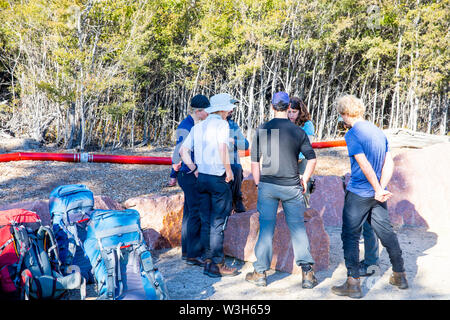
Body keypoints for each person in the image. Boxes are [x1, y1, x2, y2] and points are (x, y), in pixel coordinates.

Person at [331, 94, 408, 299]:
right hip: (377, 194)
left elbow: (364, 164)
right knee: (387, 234)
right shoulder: (377, 131)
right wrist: (381, 189)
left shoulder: (353, 134)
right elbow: (388, 162)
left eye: (341, 115)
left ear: (346, 114)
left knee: (350, 235)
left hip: (359, 192)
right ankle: (400, 274)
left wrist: (376, 187)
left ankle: (352, 283)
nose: (341, 119)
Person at [245, 91, 318, 288]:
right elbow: (311, 158)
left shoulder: (262, 129)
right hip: (292, 186)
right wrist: (305, 178)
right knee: (297, 228)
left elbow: (254, 162)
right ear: (288, 108)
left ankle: (260, 272)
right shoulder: (298, 131)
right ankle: (307, 274)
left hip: (268, 185)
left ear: (271, 106)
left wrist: (259, 183)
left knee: (266, 229)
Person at [179, 93, 239, 278]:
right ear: (222, 109)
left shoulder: (199, 126)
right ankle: (217, 264)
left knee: (206, 221)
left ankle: (207, 261)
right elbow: (222, 148)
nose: (231, 110)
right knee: (218, 223)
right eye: (230, 107)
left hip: (202, 178)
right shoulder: (222, 124)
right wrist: (229, 171)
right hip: (217, 178)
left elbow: (183, 151)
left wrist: (194, 168)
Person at [171, 94, 209, 265]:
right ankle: (194, 253)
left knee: (189, 212)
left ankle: (187, 251)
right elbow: (179, 151)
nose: (208, 114)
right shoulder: (187, 126)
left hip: (186, 172)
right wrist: (192, 168)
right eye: (206, 111)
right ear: (199, 111)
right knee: (196, 212)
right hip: (189, 173)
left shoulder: (192, 124)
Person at [287, 96, 316, 207]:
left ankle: (305, 212)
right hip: (287, 161)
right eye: (288, 112)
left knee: (303, 188)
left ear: (300, 111)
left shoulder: (307, 125)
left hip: (302, 160)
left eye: (294, 112)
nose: (291, 115)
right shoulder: (284, 122)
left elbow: (307, 147)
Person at [227, 110, 249, 213]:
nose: (232, 110)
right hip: (216, 164)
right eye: (229, 108)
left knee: (237, 168)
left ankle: (237, 199)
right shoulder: (211, 125)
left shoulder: (233, 125)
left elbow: (245, 145)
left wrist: (233, 141)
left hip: (233, 164)